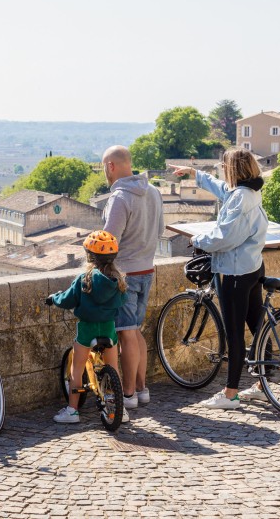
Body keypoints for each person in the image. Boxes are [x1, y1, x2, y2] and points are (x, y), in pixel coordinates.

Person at [167, 148, 269, 409]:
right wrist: (195, 174)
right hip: (253, 267)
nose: (223, 171)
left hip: (236, 272)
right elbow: (224, 189)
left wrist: (196, 240)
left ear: (233, 169)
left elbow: (224, 237)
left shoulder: (240, 199)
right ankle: (262, 384)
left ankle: (230, 393)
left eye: (225, 167)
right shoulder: (250, 192)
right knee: (258, 326)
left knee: (234, 333)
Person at [101, 145, 164, 410]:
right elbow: (160, 230)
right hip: (147, 269)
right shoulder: (154, 192)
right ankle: (141, 388)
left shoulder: (120, 198)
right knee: (135, 330)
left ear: (111, 166)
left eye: (104, 167)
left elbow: (108, 241)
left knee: (126, 334)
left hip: (124, 273)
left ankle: (127, 394)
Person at [47, 230, 128, 424]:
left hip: (87, 329)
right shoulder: (118, 281)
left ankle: (72, 410)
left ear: (89, 256)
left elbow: (67, 299)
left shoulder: (84, 279)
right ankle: (120, 409)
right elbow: (122, 301)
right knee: (113, 369)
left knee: (77, 369)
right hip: (109, 328)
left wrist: (54, 299)